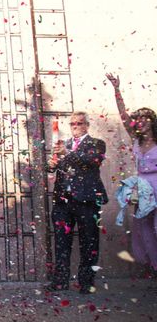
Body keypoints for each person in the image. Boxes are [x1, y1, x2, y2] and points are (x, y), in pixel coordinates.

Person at [45, 112, 108, 294]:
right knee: (61, 242)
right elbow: (52, 169)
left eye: (79, 123)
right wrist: (52, 162)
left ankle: (86, 282)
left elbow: (92, 161)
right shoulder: (63, 145)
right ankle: (60, 281)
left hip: (86, 200)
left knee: (89, 241)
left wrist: (68, 153)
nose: (75, 126)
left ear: (87, 125)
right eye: (72, 123)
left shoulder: (97, 143)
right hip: (63, 200)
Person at [106, 73, 157, 273]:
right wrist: (116, 89)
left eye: (145, 119)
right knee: (144, 230)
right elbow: (123, 116)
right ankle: (154, 266)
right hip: (143, 188)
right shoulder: (136, 140)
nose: (140, 122)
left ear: (152, 121)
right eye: (138, 119)